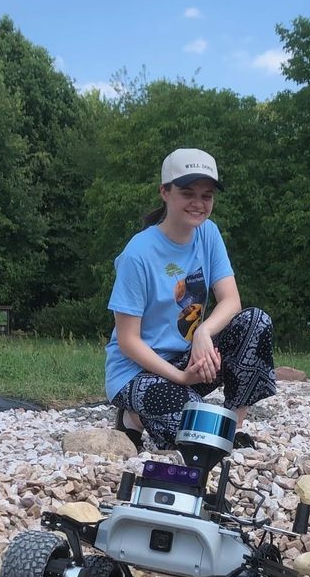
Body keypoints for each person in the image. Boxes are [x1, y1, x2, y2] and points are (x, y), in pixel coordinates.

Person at [104, 147, 276, 451]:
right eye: (188, 193)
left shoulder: (208, 234)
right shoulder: (137, 254)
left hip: (189, 360)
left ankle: (232, 429)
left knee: (255, 322)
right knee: (193, 434)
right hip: (135, 371)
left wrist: (204, 333)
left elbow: (231, 300)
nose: (198, 204)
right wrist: (181, 379)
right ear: (165, 192)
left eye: (206, 196)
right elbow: (128, 342)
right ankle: (134, 417)